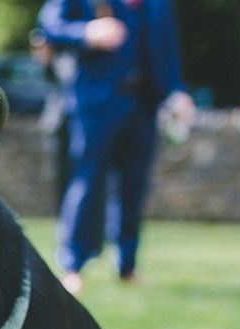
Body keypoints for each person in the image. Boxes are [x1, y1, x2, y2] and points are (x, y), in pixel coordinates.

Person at [38, 0, 194, 295]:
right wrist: (87, 31)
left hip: (144, 103)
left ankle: (127, 264)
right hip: (94, 103)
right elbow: (49, 26)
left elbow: (168, 48)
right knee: (87, 181)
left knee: (134, 186)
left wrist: (178, 91)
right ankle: (73, 265)